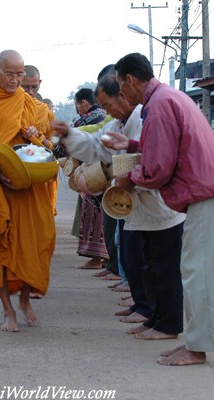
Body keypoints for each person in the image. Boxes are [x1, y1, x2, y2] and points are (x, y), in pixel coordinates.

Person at [103, 52, 214, 365]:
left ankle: (196, 347)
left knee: (197, 274)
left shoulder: (160, 104)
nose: (123, 96)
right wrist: (130, 146)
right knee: (194, 271)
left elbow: (159, 168)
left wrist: (129, 179)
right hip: (200, 191)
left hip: (203, 193)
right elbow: (161, 147)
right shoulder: (166, 98)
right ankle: (194, 342)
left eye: (122, 89)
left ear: (130, 79)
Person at [52, 74, 186, 334]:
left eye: (107, 104)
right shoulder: (118, 122)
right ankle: (152, 316)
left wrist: (130, 178)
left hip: (160, 206)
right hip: (136, 205)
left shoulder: (149, 114)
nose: (105, 110)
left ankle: (166, 323)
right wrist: (69, 133)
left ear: (123, 94)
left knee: (163, 268)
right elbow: (94, 146)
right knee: (143, 262)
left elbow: (153, 159)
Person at [0, 50, 56, 332]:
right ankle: (8, 311)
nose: (16, 80)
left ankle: (26, 299)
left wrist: (35, 136)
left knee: (38, 243)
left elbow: (48, 150)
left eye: (20, 74)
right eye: (10, 74)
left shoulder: (35, 108)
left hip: (28, 191)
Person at [21, 65, 58, 300]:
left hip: (39, 179)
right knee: (19, 235)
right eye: (27, 87)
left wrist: (40, 138)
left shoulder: (44, 111)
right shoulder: (7, 107)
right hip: (15, 176)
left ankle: (35, 281)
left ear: (40, 84)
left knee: (42, 233)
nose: (31, 91)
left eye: (34, 87)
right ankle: (21, 281)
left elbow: (54, 146)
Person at [71, 88, 109, 270]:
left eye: (77, 106)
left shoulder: (84, 120)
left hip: (95, 173)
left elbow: (68, 145)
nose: (78, 110)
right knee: (108, 218)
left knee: (95, 217)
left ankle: (96, 259)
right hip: (108, 173)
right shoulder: (107, 117)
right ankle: (108, 260)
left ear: (84, 103)